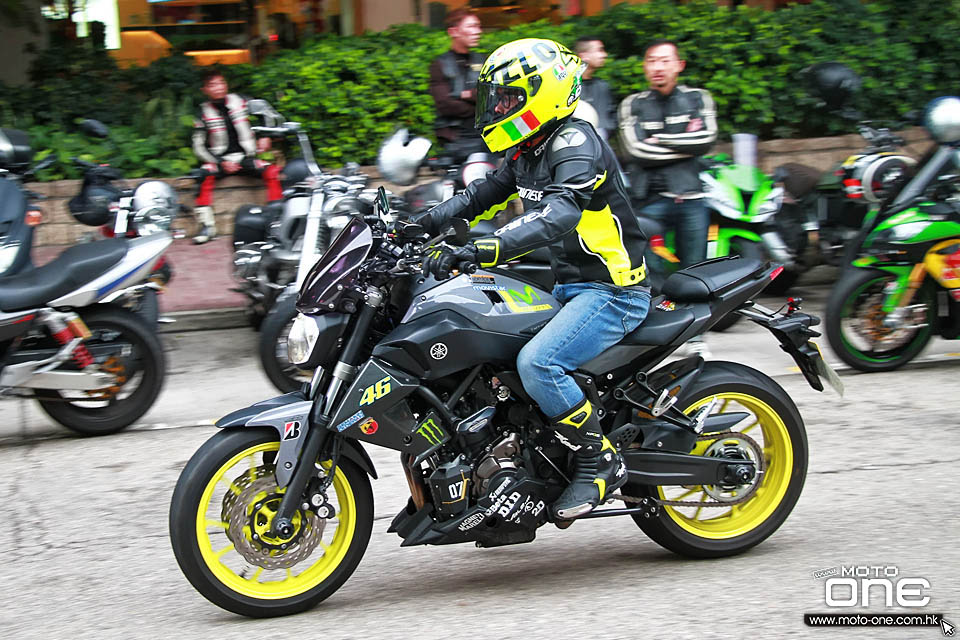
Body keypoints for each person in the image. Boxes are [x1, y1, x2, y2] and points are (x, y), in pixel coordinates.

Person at [416, 38, 651, 520]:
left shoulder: (575, 143)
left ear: (542, 95)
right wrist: (421, 223)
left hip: (613, 291)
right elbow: (483, 194)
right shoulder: (529, 146)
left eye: (507, 98)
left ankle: (598, 460)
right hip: (568, 286)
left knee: (538, 365)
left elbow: (560, 213)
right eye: (495, 98)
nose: (497, 108)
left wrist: (482, 249)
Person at [618, 38, 717, 357]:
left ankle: (696, 336)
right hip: (648, 198)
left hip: (690, 195)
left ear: (679, 65)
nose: (657, 68)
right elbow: (635, 149)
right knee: (641, 259)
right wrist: (684, 141)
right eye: (651, 61)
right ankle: (657, 321)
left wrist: (661, 140)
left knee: (695, 268)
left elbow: (706, 139)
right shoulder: (633, 104)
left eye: (664, 61)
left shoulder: (698, 98)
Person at [191, 69, 282, 244]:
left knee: (271, 171)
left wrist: (266, 136)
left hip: (246, 156)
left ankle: (276, 220)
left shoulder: (241, 101)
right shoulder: (202, 113)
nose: (218, 88)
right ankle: (206, 226)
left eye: (221, 83)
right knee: (202, 175)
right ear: (205, 89)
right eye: (212, 85)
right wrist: (220, 162)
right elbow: (198, 146)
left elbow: (267, 114)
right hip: (218, 159)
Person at [428, 9, 486, 162]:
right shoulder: (440, 64)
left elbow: (492, 96)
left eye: (478, 26)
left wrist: (461, 94)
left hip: (483, 140)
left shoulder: (484, 61)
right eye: (471, 26)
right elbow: (445, 105)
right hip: (454, 142)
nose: (477, 32)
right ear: (453, 31)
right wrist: (478, 104)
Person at [573, 36, 616, 140]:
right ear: (583, 56)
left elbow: (611, 121)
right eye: (599, 50)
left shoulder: (602, 86)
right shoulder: (568, 86)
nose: (604, 55)